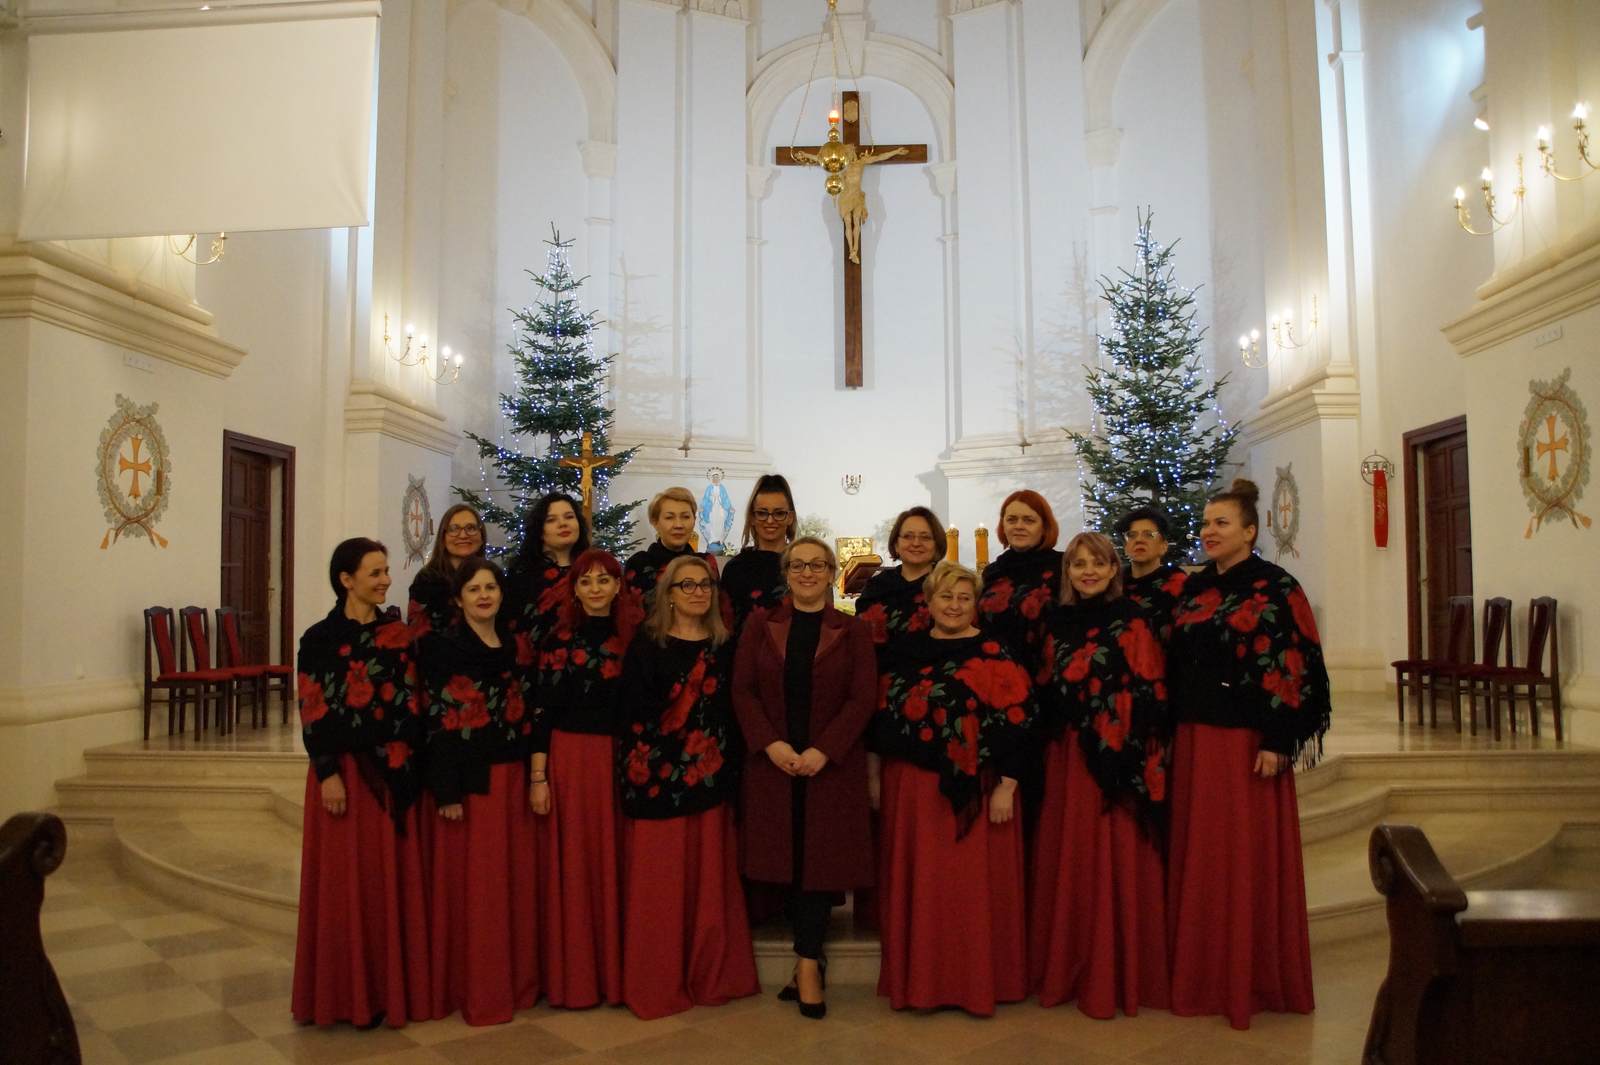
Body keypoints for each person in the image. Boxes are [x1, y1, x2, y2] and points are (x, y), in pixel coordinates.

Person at [1166, 478, 1330, 1030]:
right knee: (1201, 857)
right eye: (1207, 523)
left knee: (1238, 859)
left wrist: (1279, 738)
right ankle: (1201, 973)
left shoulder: (1276, 586)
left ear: (1250, 530)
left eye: (1222, 523)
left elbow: (1295, 664)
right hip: (1193, 739)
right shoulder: (1192, 588)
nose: (1210, 531)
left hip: (1244, 745)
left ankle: (1246, 977)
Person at [872, 560, 1035, 1016]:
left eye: (964, 597)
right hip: (913, 788)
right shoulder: (904, 651)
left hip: (979, 791)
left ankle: (975, 983)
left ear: (975, 603)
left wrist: (1007, 785)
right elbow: (880, 719)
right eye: (946, 596)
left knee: (968, 893)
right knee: (926, 890)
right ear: (929, 600)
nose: (955, 605)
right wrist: (873, 776)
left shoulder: (994, 651)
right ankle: (922, 984)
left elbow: (1020, 723)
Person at [732, 537, 877, 1020]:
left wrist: (824, 750)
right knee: (789, 857)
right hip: (774, 763)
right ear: (786, 572)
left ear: (832, 571)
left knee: (819, 861)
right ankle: (806, 962)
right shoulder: (759, 624)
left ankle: (808, 962)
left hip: (828, 765)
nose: (808, 573)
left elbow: (862, 699)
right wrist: (770, 744)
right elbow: (743, 691)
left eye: (818, 565)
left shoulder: (852, 631)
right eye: (799, 565)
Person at [1030, 532, 1171, 1017]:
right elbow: (1044, 687)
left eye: (1098, 563)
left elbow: (1151, 690)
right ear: (1067, 572)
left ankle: (1118, 971)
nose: (1087, 571)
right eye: (1078, 564)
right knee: (1071, 856)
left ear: (1114, 570)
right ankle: (1070, 963)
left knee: (1108, 858)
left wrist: (1113, 728)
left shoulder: (1133, 621)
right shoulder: (1056, 622)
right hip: (1067, 756)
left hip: (1114, 758)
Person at [292, 538, 430, 1029]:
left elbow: (412, 700)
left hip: (390, 772)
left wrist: (403, 756)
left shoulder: (399, 635)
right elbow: (312, 707)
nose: (385, 580)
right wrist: (328, 772)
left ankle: (386, 993)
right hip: (343, 776)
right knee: (343, 888)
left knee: (382, 885)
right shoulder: (317, 638)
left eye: (386, 571)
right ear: (346, 579)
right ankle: (342, 995)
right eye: (374, 572)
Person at [616, 555, 759, 1019]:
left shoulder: (726, 645)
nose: (698, 592)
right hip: (659, 785)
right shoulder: (647, 645)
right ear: (669, 594)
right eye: (687, 584)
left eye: (705, 584)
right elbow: (634, 717)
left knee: (709, 887)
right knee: (662, 889)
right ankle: (659, 982)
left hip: (712, 782)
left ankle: (711, 976)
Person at [419, 557, 540, 1025]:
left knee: (514, 884)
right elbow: (440, 721)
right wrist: (446, 789)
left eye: (490, 587)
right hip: (473, 783)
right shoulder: (443, 647)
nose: (484, 595)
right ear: (458, 599)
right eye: (474, 590)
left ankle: (518, 983)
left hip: (514, 774)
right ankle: (479, 988)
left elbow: (529, 710)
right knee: (481, 890)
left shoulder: (516, 645)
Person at [530, 548, 642, 1009]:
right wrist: (539, 776)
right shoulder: (557, 641)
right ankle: (576, 975)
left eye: (604, 580)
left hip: (619, 759)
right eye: (586, 581)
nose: (595, 589)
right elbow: (541, 711)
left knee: (617, 862)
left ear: (619, 587)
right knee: (577, 864)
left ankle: (618, 974)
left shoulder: (635, 640)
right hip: (571, 760)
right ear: (574, 589)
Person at [978, 490, 1063, 659]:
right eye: (1011, 519)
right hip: (998, 668)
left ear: (1044, 526)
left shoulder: (1063, 566)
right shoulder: (993, 571)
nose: (1018, 526)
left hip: (1047, 669)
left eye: (1028, 520)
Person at [854, 506, 941, 660]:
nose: (916, 543)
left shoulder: (948, 584)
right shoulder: (876, 586)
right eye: (908, 536)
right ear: (896, 544)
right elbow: (858, 639)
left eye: (925, 537)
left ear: (937, 545)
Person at [719, 474, 797, 638]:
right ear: (752, 517)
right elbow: (726, 628)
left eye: (779, 513)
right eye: (762, 513)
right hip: (746, 659)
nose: (770, 520)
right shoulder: (736, 568)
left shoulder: (804, 564)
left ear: (790, 517)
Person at [624, 487, 724, 611]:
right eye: (669, 517)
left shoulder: (706, 563)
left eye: (685, 517)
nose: (678, 525)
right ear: (655, 522)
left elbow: (718, 610)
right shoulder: (639, 563)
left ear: (694, 521)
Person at [510, 492, 589, 646]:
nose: (563, 524)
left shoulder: (592, 569)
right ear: (540, 531)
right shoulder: (523, 574)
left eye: (569, 517)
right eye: (551, 520)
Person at [407, 505, 484, 636]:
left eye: (471, 528)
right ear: (443, 537)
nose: (463, 535)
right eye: (454, 529)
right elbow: (419, 633)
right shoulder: (427, 579)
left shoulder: (490, 575)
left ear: (481, 536)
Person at [1115, 506, 1189, 631]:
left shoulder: (1180, 586)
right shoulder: (1114, 585)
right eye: (1132, 535)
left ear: (1163, 546)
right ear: (1126, 547)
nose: (1139, 540)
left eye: (1148, 535)